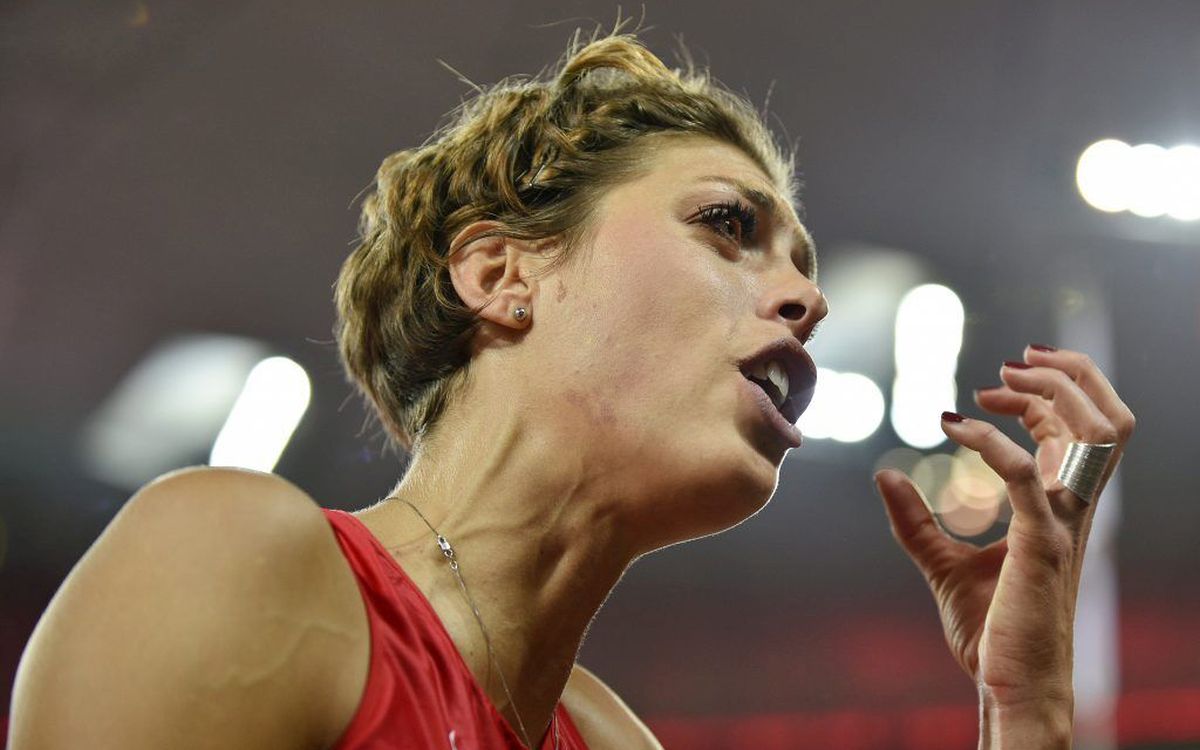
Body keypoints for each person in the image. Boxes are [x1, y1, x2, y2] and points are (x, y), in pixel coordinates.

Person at [9, 30, 1134, 750]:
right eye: (728, 226)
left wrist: (1026, 704)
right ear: (503, 276)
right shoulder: (233, 556)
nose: (809, 298)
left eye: (802, 266)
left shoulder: (613, 740)